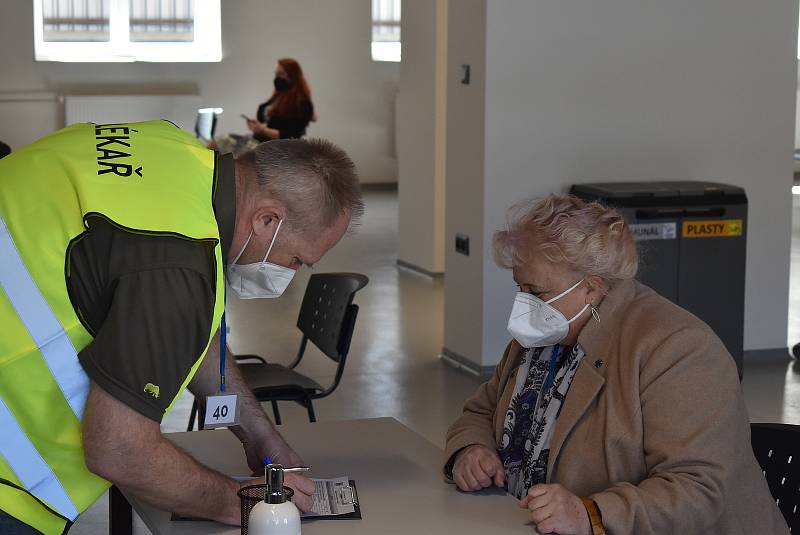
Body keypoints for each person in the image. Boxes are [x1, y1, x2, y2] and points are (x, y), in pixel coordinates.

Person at [0, 120, 363, 534]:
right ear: (267, 220)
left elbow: (190, 333)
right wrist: (240, 504)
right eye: (297, 259)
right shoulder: (179, 262)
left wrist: (260, 437)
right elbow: (119, 448)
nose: (291, 273)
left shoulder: (172, 152)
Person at [443, 195, 787, 534]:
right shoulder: (544, 335)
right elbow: (481, 411)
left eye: (536, 292)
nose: (525, 305)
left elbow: (698, 488)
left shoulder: (678, 348)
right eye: (520, 288)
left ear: (592, 288)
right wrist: (472, 449)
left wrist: (590, 514)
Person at [215, 58, 315, 156]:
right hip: (261, 142)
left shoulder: (302, 103)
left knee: (222, 141)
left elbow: (291, 136)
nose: (277, 78)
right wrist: (258, 127)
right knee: (219, 142)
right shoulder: (277, 97)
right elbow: (269, 124)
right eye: (276, 74)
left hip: (277, 149)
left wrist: (263, 130)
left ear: (292, 76)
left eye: (280, 74)